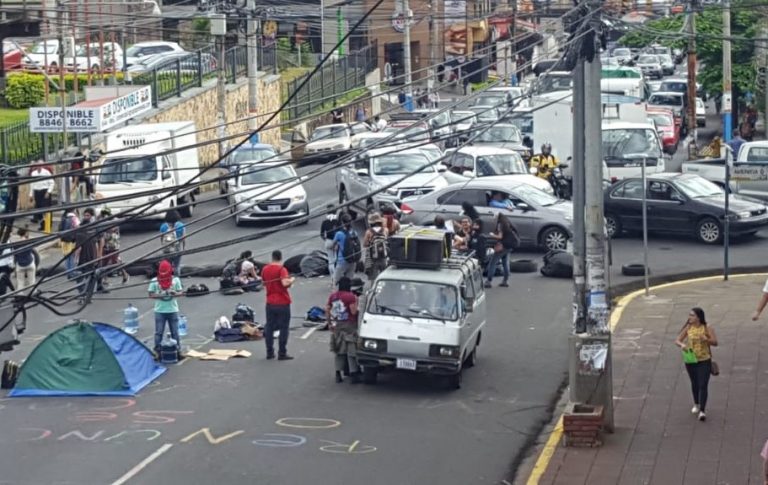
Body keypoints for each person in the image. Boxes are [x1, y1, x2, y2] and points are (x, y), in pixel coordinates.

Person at [675, 307, 718, 422]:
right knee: (695, 383)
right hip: (691, 359)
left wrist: (706, 339)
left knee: (703, 384)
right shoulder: (688, 327)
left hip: (704, 360)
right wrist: (682, 345)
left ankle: (702, 411)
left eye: (692, 315)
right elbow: (678, 340)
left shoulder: (707, 327)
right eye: (689, 315)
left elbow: (715, 342)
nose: (690, 317)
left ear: (699, 317)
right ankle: (696, 403)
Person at [326, 276, 360, 383]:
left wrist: (329, 323)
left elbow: (327, 309)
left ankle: (338, 374)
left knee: (339, 351)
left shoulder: (333, 296)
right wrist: (357, 303)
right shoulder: (350, 296)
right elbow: (353, 312)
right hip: (349, 326)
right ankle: (353, 373)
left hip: (337, 325)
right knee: (351, 351)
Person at [262, 250, 295, 360]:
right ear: (280, 258)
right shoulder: (282, 269)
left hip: (270, 302)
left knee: (269, 327)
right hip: (282, 302)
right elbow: (285, 283)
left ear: (272, 257)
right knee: (284, 328)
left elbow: (263, 283)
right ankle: (282, 353)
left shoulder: (265, 269)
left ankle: (269, 352)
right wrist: (292, 280)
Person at [148, 259, 184, 358]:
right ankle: (157, 351)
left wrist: (174, 293)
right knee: (158, 332)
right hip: (160, 310)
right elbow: (150, 294)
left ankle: (178, 350)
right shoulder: (154, 281)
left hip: (172, 310)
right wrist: (160, 295)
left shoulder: (175, 280)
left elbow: (181, 293)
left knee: (175, 332)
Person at [75, 208, 107, 297]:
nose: (86, 217)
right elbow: (78, 247)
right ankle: (83, 294)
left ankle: (89, 293)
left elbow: (101, 241)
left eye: (88, 215)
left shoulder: (95, 227)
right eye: (85, 215)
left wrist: (99, 255)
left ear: (92, 217)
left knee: (92, 275)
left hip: (92, 256)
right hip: (83, 257)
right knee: (81, 276)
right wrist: (76, 259)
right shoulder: (80, 229)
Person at [485, 213, 519, 288]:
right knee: (505, 263)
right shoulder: (508, 223)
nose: (493, 219)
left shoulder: (500, 225)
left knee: (493, 262)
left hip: (503, 245)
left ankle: (488, 281)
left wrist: (492, 235)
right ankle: (505, 281)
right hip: (509, 246)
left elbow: (500, 237)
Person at [100, 209, 128, 284]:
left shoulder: (114, 221)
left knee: (115, 261)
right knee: (104, 262)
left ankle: (125, 274)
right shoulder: (103, 221)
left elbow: (112, 229)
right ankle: (105, 278)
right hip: (106, 245)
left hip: (114, 245)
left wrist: (104, 225)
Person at [332, 213, 359, 285]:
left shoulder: (339, 234)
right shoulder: (354, 233)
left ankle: (337, 295)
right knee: (348, 283)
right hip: (352, 260)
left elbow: (332, 245)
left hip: (342, 261)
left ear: (342, 222)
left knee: (336, 281)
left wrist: (337, 245)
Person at [363, 213, 389, 283]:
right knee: (384, 277)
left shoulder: (369, 231)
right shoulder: (385, 230)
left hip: (373, 258)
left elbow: (365, 244)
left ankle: (373, 291)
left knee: (373, 279)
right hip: (383, 257)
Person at [29, 161, 53, 229]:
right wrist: (31, 195)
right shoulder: (33, 173)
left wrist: (48, 192)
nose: (39, 166)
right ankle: (42, 225)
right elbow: (32, 185)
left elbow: (51, 182)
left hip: (45, 191)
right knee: (39, 209)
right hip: (37, 192)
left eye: (40, 165)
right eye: (37, 165)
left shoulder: (46, 172)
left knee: (46, 209)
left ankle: (48, 226)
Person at [160, 210, 184, 276]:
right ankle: (177, 281)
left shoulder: (163, 226)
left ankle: (168, 280)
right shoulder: (181, 225)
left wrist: (164, 247)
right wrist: (183, 248)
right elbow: (183, 238)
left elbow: (161, 239)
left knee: (168, 266)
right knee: (177, 266)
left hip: (167, 250)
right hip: (177, 249)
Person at [320, 205, 341, 277]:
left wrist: (325, 240)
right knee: (336, 260)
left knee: (330, 261)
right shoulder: (338, 221)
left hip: (328, 241)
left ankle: (332, 277)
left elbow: (322, 234)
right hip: (337, 242)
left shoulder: (325, 222)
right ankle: (337, 276)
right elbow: (340, 231)